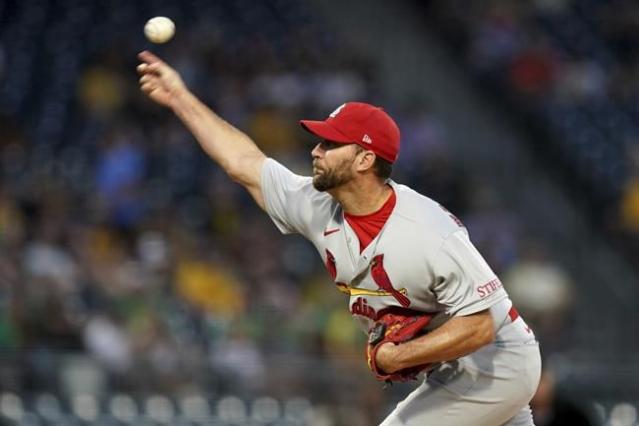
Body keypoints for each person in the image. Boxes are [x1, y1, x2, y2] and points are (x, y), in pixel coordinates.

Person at [137, 50, 541, 425]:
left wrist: (399, 354)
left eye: (330, 143)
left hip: (497, 361)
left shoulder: (428, 231)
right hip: (460, 365)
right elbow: (244, 164)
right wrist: (179, 98)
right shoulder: (317, 205)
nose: (316, 150)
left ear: (365, 159)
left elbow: (481, 326)